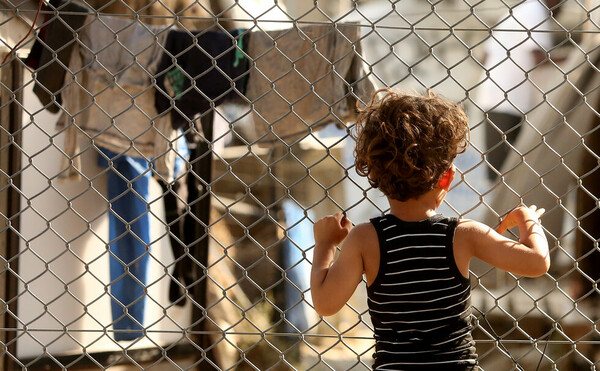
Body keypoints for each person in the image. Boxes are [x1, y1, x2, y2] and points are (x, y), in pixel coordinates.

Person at [310, 88, 550, 370]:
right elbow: (537, 263)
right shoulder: (463, 234)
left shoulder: (365, 239)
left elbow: (325, 304)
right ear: (447, 176)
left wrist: (326, 244)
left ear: (373, 173)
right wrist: (527, 218)